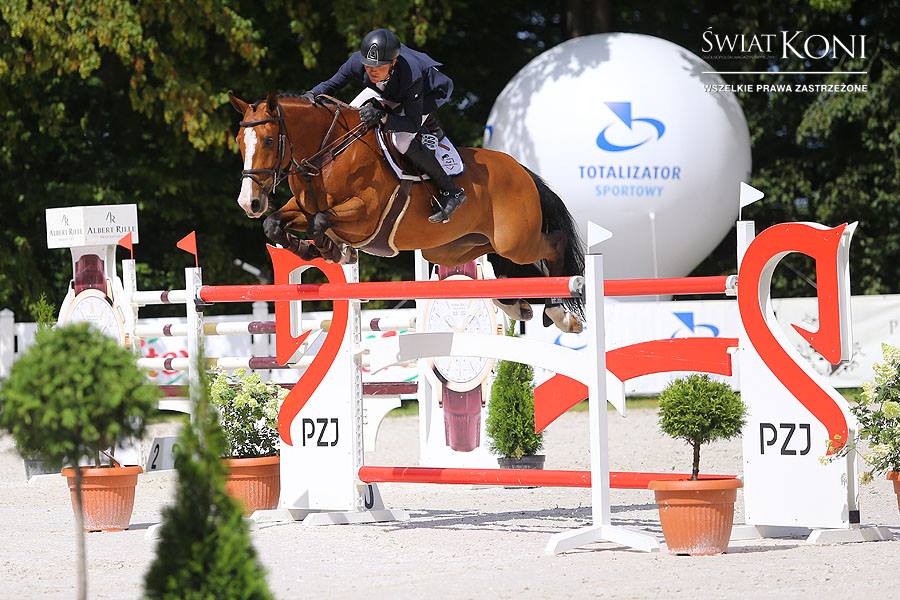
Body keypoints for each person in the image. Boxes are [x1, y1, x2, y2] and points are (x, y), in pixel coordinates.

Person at [309, 28, 466, 223]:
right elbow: (330, 85)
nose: (372, 71)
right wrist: (309, 96)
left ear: (393, 62)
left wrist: (383, 117)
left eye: (378, 66)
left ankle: (451, 191)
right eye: (368, 66)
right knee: (351, 117)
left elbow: (411, 123)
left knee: (401, 140)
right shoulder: (357, 61)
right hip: (390, 88)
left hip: (427, 93)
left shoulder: (411, 75)